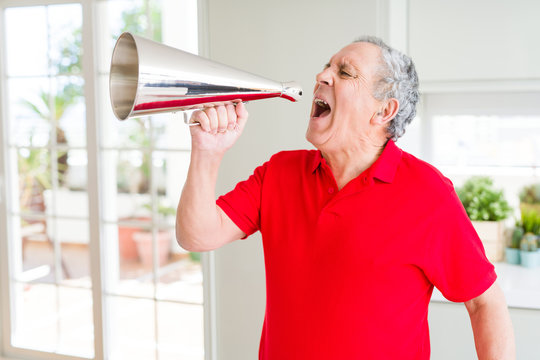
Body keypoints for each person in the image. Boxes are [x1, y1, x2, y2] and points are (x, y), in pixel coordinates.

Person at [176, 36, 515, 359]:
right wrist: (207, 152)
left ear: (383, 112)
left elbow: (484, 302)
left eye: (345, 72)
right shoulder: (279, 173)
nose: (321, 75)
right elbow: (197, 235)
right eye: (327, 66)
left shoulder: (428, 193)